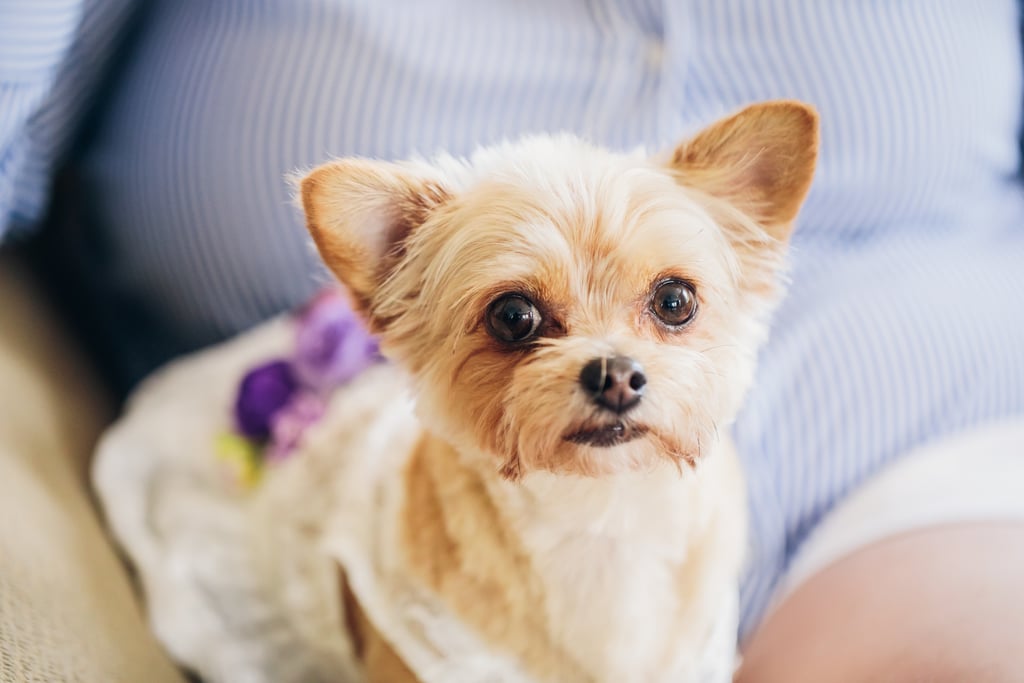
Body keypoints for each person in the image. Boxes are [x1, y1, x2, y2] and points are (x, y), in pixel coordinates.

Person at [3, 1, 1023, 679]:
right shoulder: (419, 606)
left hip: (935, 455)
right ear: (396, 299)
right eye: (519, 320)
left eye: (669, 304)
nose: (614, 365)